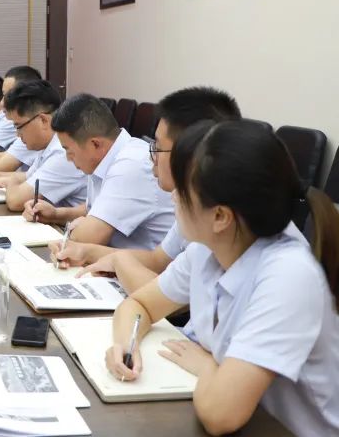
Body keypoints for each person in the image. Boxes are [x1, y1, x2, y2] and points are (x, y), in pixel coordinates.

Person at [105, 120, 339, 436]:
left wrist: (208, 365)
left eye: (182, 192)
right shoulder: (209, 248)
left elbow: (220, 415)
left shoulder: (289, 276)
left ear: (220, 216)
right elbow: (140, 305)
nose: (173, 198)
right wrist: (125, 345)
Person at [50, 87, 241, 293]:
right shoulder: (189, 201)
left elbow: (171, 297)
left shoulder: (135, 165)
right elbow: (157, 259)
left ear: (189, 155)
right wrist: (84, 252)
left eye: (157, 146)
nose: (151, 157)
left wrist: (117, 261)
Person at [27, 93, 173, 251]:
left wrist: (78, 227)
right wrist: (55, 214)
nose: (68, 158)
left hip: (147, 265)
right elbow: (93, 209)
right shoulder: (105, 158)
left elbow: (86, 238)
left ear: (95, 144)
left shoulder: (131, 165)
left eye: (68, 150)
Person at [0, 81, 87, 211]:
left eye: (19, 126)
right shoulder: (49, 145)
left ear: (43, 120)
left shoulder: (63, 152)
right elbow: (28, 176)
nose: (17, 134)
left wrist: (11, 182)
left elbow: (16, 201)